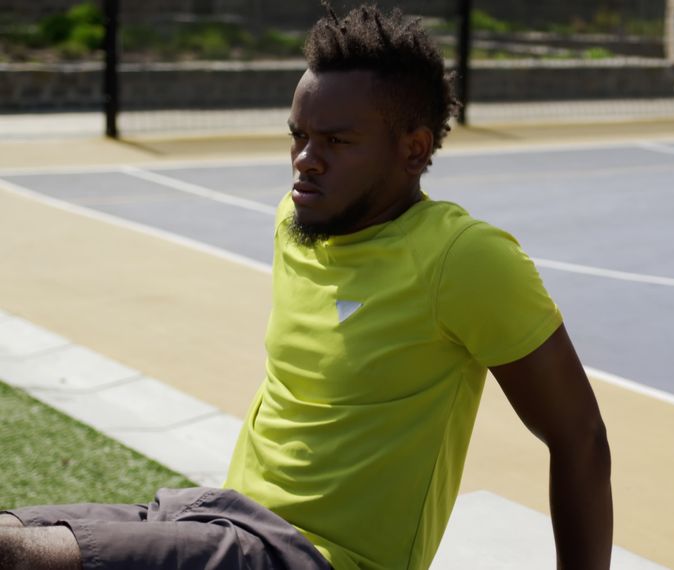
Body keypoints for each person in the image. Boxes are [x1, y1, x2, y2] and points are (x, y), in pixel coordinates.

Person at [0, 4, 612, 569]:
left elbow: (578, 437)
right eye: (299, 135)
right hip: (218, 515)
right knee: (13, 530)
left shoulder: (463, 258)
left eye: (337, 141)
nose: (305, 159)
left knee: (21, 555)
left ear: (414, 149)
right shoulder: (296, 223)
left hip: (316, 557)